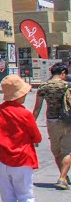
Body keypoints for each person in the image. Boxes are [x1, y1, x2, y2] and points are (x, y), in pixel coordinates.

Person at [0, 75, 42, 202]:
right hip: (22, 159)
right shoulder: (25, 114)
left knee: (7, 196)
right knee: (26, 196)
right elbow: (37, 136)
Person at [31, 63, 71, 191]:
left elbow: (37, 108)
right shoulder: (67, 86)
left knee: (56, 150)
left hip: (51, 121)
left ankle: (63, 176)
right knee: (68, 150)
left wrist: (31, 125)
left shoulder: (44, 86)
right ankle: (62, 178)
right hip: (67, 121)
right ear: (63, 73)